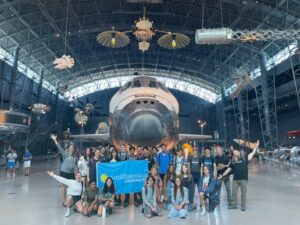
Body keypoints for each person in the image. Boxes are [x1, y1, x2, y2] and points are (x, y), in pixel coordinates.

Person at [219, 140, 260, 211]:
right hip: (235, 180)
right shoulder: (233, 161)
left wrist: (256, 147)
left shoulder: (245, 158)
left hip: (244, 179)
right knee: (234, 193)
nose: (234, 153)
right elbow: (228, 169)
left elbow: (253, 153)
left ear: (239, 152)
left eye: (235, 152)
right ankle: (234, 205)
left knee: (243, 194)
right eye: (234, 152)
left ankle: (243, 206)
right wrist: (222, 175)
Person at [50, 133, 77, 204]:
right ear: (68, 149)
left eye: (72, 148)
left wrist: (77, 173)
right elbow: (60, 148)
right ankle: (64, 201)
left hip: (71, 174)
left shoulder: (75, 156)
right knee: (63, 187)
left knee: (72, 186)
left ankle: (70, 200)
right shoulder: (65, 154)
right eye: (70, 148)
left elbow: (76, 166)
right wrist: (55, 140)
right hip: (64, 172)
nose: (71, 149)